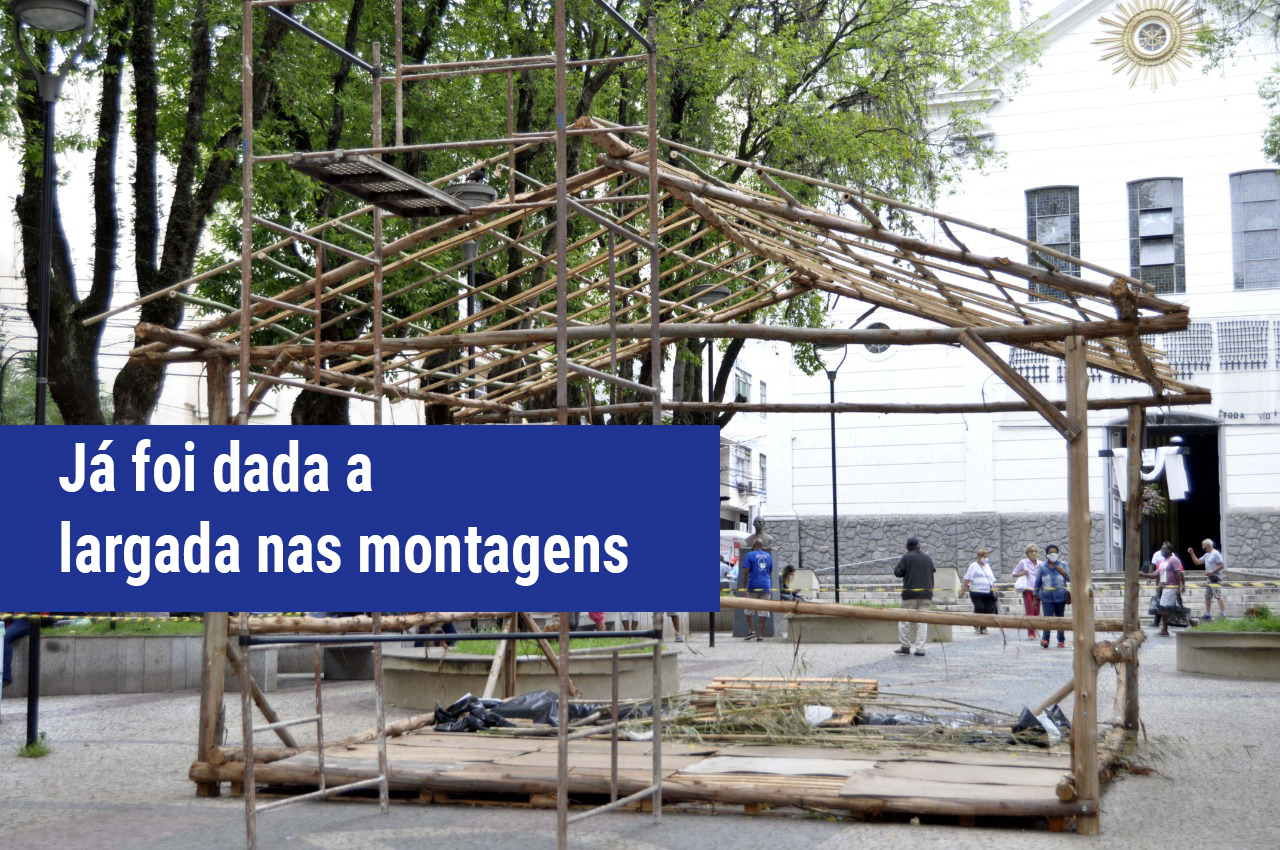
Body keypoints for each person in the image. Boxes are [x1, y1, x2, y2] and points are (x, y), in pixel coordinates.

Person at [893, 536, 934, 657]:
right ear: (919, 545)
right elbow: (932, 570)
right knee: (922, 621)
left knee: (904, 620)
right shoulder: (928, 557)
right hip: (926, 594)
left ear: (907, 547)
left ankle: (905, 646)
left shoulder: (906, 557)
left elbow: (898, 573)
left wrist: (900, 562)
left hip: (910, 595)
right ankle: (920, 648)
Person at [1143, 542, 1185, 636]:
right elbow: (1157, 574)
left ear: (1169, 550)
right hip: (1163, 587)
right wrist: (1145, 575)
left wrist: (1178, 587)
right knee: (1169, 608)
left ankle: (1164, 630)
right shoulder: (1162, 562)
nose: (1161, 550)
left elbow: (1179, 574)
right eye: (1161, 548)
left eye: (1164, 548)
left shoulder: (1174, 560)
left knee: (1164, 607)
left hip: (1171, 587)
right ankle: (1191, 622)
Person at [1035, 544, 1071, 648]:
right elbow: (1037, 583)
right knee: (1047, 619)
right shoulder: (1043, 567)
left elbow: (1070, 578)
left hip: (1060, 597)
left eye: (1055, 552)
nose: (1053, 554)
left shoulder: (1063, 565)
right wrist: (1034, 597)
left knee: (1060, 619)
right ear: (1047, 555)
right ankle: (1045, 639)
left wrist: (1062, 571)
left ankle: (1061, 640)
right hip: (1046, 598)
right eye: (1050, 553)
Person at [1187, 539, 1226, 621]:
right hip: (1209, 578)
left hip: (1215, 578)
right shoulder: (1207, 555)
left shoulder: (1216, 553)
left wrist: (1211, 571)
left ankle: (1223, 614)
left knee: (1218, 595)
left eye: (1203, 545)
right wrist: (1192, 553)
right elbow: (1197, 562)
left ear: (1208, 545)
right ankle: (1208, 614)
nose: (1202, 547)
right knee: (1207, 596)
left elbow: (1221, 565)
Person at [741, 541, 774, 641]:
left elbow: (746, 572)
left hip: (752, 586)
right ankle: (760, 635)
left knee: (748, 609)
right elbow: (770, 571)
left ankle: (751, 631)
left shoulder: (749, 555)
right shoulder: (768, 556)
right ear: (762, 546)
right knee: (763, 611)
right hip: (766, 586)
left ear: (753, 546)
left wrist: (744, 588)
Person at [962, 547, 998, 634]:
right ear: (979, 556)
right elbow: (967, 578)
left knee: (987, 610)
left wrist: (994, 589)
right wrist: (963, 590)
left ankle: (983, 627)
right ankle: (976, 623)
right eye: (984, 557)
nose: (986, 559)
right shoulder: (973, 566)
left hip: (988, 592)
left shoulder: (987, 566)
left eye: (987, 556)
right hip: (976, 592)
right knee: (980, 608)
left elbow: (991, 579)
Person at [1012, 545, 1043, 638]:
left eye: (1035, 551)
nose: (1033, 553)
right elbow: (1014, 573)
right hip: (1027, 590)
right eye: (1031, 551)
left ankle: (1035, 628)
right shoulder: (1023, 562)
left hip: (1037, 591)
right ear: (1027, 553)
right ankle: (1031, 633)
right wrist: (1022, 573)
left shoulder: (1041, 563)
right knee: (1030, 611)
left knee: (1036, 611)